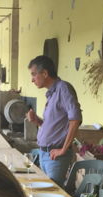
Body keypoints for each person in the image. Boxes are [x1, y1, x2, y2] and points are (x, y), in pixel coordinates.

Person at [26, 55, 82, 186]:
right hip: (44, 153)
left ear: (45, 73)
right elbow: (55, 125)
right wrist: (37, 120)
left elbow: (75, 119)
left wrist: (63, 150)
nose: (32, 80)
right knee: (46, 191)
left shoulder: (63, 88)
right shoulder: (52, 93)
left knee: (52, 193)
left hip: (56, 156)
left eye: (34, 74)